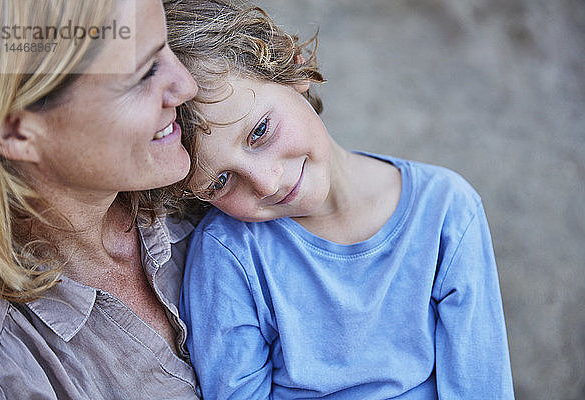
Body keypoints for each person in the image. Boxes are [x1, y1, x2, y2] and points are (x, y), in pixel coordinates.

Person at [167, 0, 515, 399]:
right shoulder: (228, 254)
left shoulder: (446, 211)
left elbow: (481, 387)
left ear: (292, 71)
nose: (265, 183)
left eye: (260, 131)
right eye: (222, 181)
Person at [0, 0, 201, 398]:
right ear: (16, 132)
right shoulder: (9, 370)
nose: (187, 85)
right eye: (143, 74)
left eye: (166, 44)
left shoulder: (209, 177)